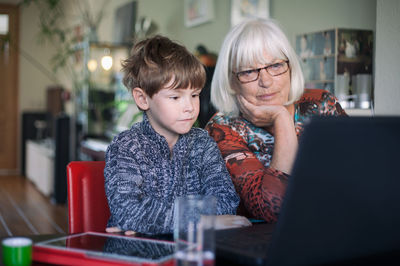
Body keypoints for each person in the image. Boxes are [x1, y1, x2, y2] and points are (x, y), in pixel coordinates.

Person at [205, 18, 347, 223]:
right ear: (231, 81)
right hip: (264, 244)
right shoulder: (222, 129)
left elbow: (363, 171)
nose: (266, 81)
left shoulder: (321, 103)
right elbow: (274, 209)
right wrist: (281, 118)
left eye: (275, 65)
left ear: (290, 67)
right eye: (249, 71)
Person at [104, 35, 249, 235]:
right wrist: (203, 222)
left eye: (195, 95)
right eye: (175, 97)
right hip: (137, 255)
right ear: (142, 98)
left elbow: (226, 201)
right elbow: (128, 213)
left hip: (193, 253)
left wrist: (153, 221)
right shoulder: (126, 146)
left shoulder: (202, 144)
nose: (189, 107)